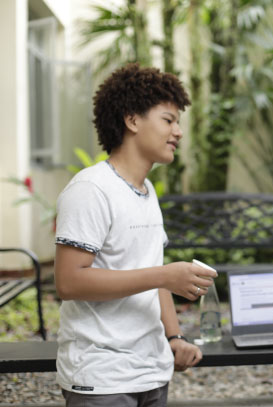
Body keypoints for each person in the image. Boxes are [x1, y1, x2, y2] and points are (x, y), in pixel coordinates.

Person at [54, 63, 217, 406]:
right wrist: (164, 274)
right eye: (169, 120)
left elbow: (152, 274)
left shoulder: (146, 191)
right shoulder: (91, 189)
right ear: (132, 120)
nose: (179, 131)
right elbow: (69, 283)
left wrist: (173, 337)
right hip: (101, 377)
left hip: (151, 370)